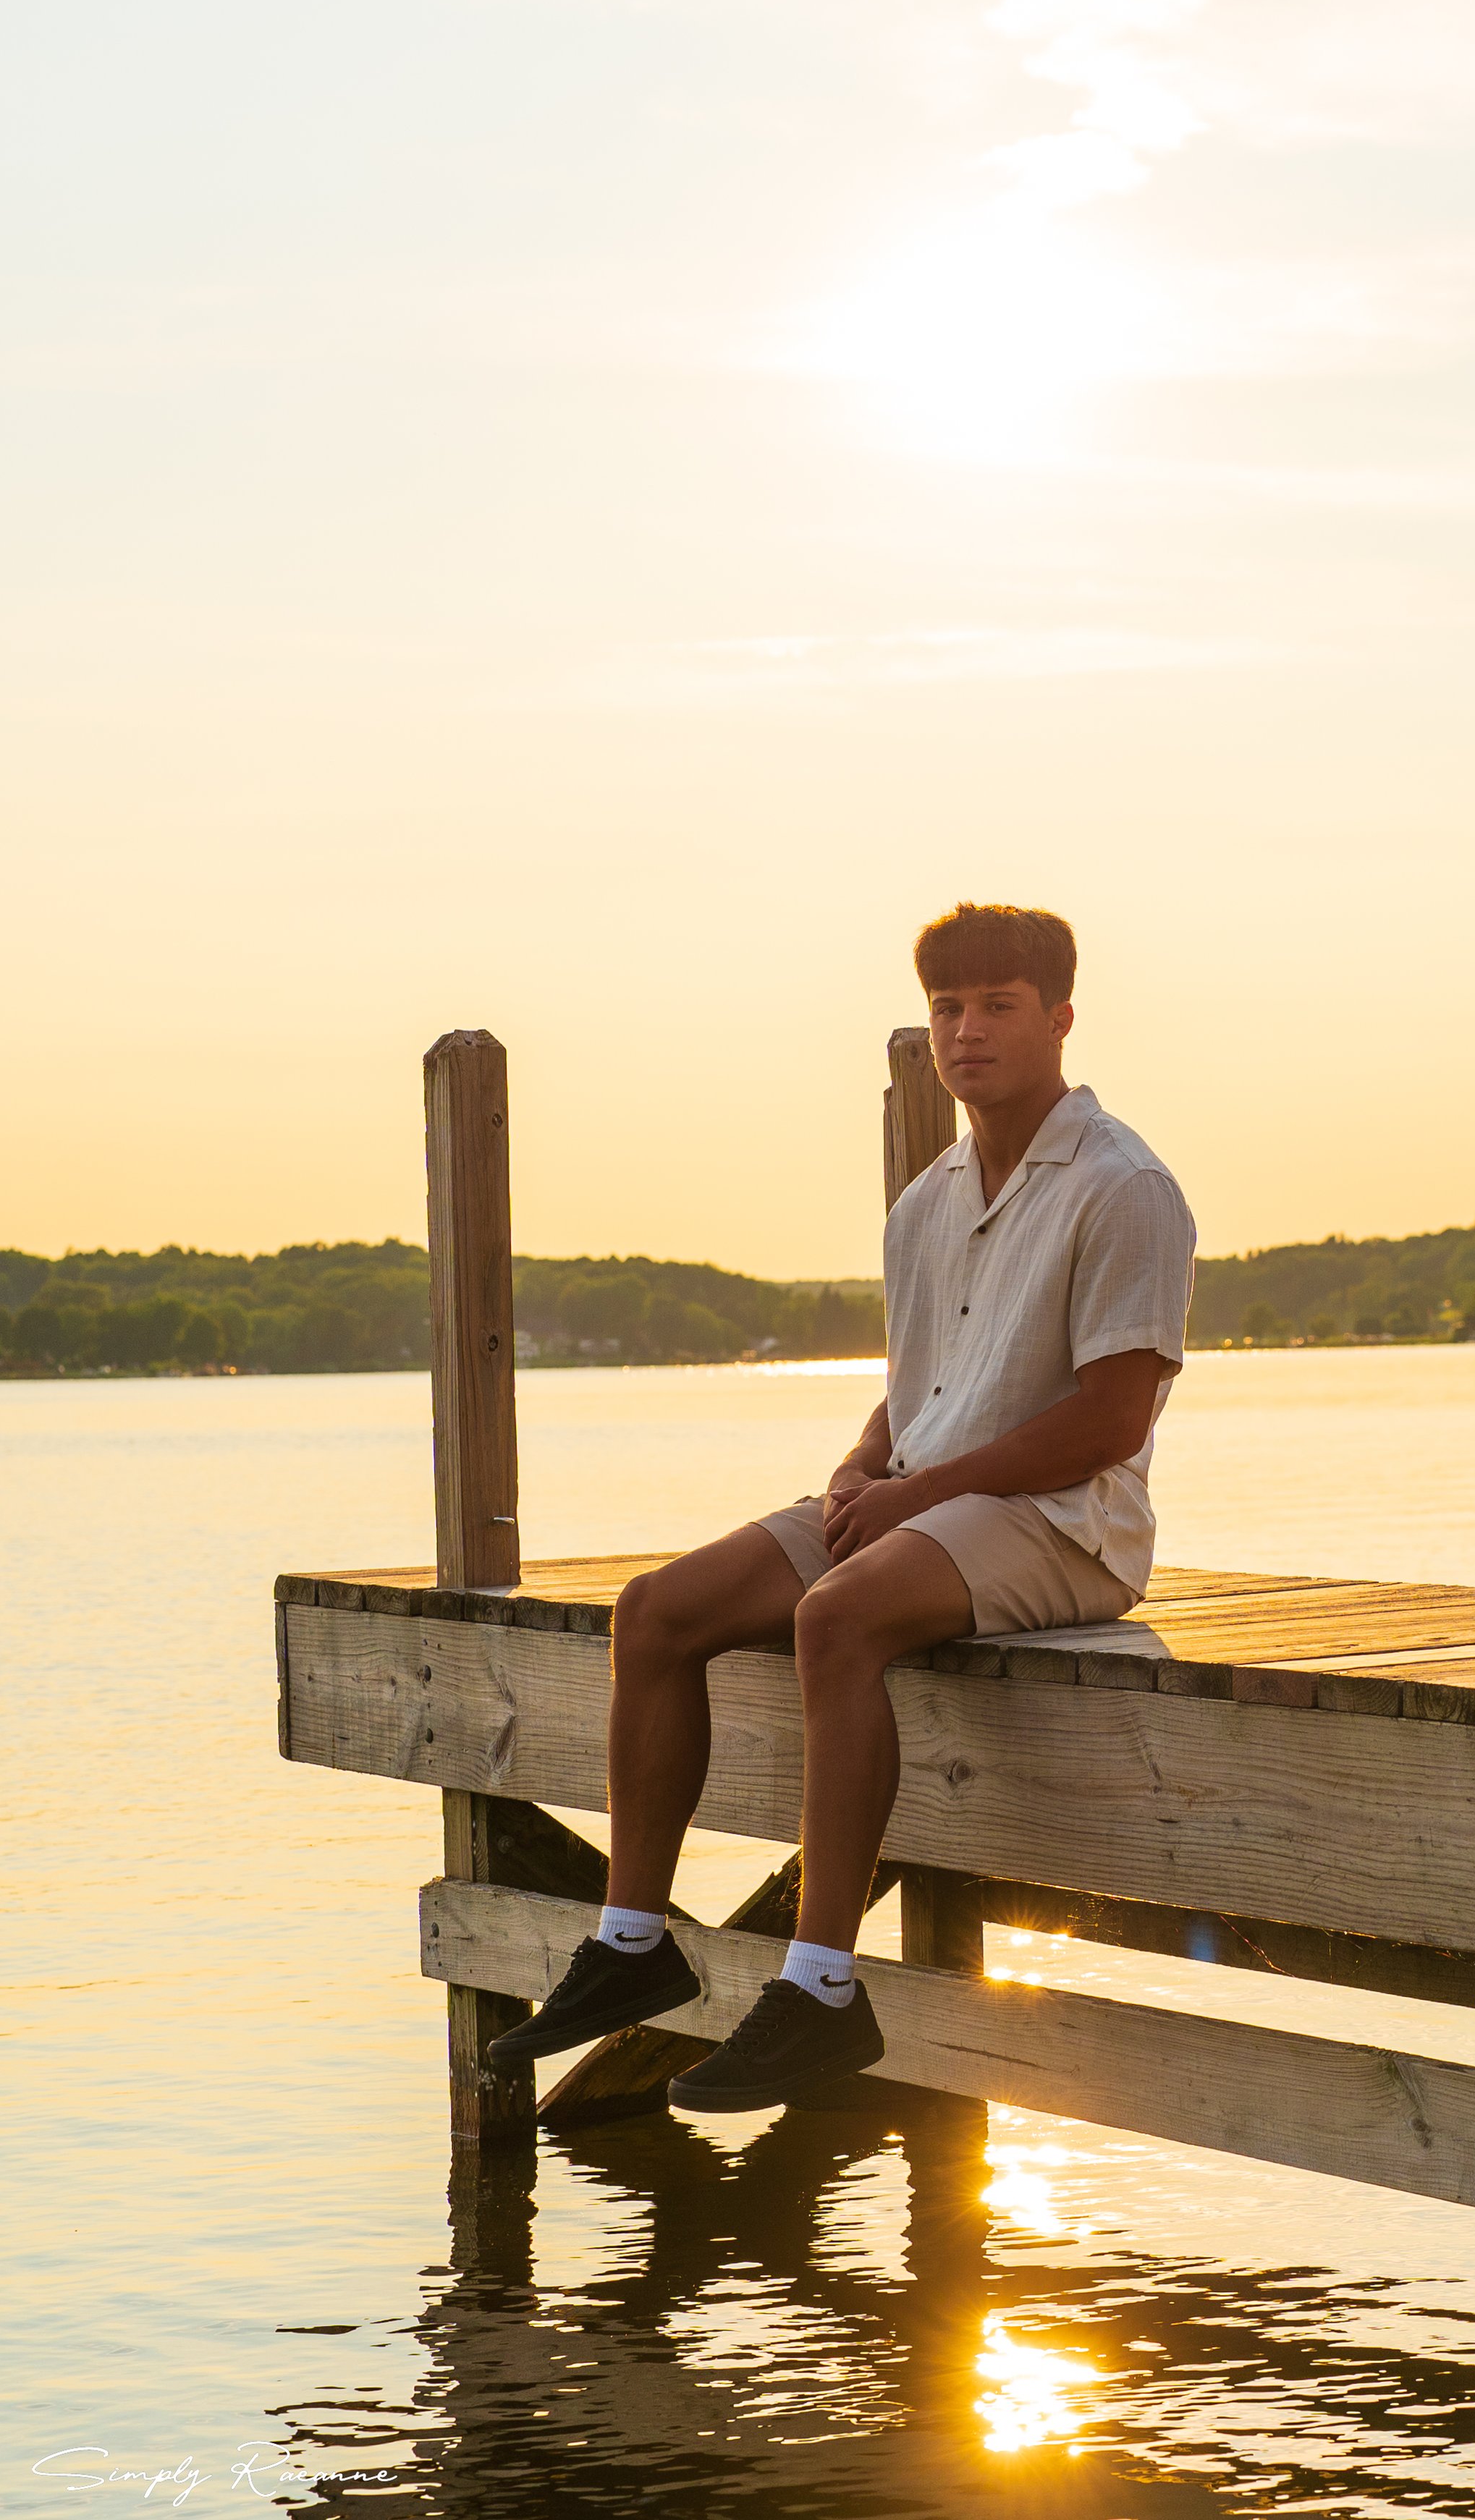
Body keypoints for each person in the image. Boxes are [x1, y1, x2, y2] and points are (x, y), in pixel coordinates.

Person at [489, 901, 1196, 2109]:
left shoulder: (1125, 1186)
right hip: (931, 1497)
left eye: (997, 1006)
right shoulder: (926, 1203)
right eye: (947, 1008)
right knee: (657, 1609)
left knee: (837, 1616)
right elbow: (917, 1387)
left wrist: (923, 1489)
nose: (966, 1032)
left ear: (1060, 1018)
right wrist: (864, 1469)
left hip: (1068, 1524)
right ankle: (631, 1942)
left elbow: (1112, 1420)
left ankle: (821, 1987)